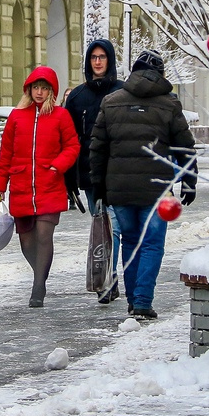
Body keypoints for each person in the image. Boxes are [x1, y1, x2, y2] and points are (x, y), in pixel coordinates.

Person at [89, 50, 197, 319]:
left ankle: (132, 297)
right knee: (152, 244)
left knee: (131, 240)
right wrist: (189, 179)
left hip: (119, 187)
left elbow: (98, 149)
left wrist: (98, 186)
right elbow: (184, 146)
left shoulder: (111, 102)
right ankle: (142, 301)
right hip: (157, 188)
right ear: (161, 75)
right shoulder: (169, 104)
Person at [0, 66, 80, 307]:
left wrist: (57, 166)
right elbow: (6, 154)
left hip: (49, 184)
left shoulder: (61, 116)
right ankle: (38, 273)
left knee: (43, 235)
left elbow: (72, 146)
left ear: (52, 91)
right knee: (27, 242)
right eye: (36, 87)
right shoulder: (17, 116)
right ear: (29, 89)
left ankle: (38, 286)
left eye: (44, 88)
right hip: (21, 186)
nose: (39, 92)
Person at [63, 39, 125, 301]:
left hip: (120, 172)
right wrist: (70, 179)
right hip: (91, 173)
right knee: (102, 224)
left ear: (110, 60)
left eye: (102, 57)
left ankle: (109, 276)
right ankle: (106, 278)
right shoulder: (78, 97)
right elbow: (69, 139)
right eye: (93, 57)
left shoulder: (123, 92)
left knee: (117, 226)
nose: (98, 62)